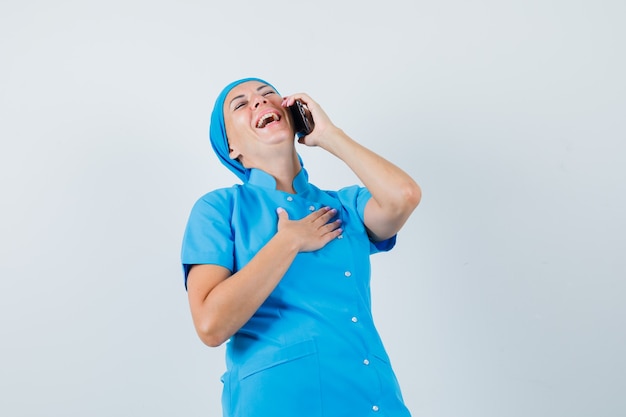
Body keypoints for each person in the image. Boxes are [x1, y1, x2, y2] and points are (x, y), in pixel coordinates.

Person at [181, 77, 421, 417]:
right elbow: (210, 324)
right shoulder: (220, 209)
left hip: (371, 398)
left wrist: (327, 135)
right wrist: (288, 242)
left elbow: (403, 197)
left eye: (268, 95)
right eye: (241, 104)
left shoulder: (345, 206)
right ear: (231, 148)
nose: (260, 102)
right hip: (279, 402)